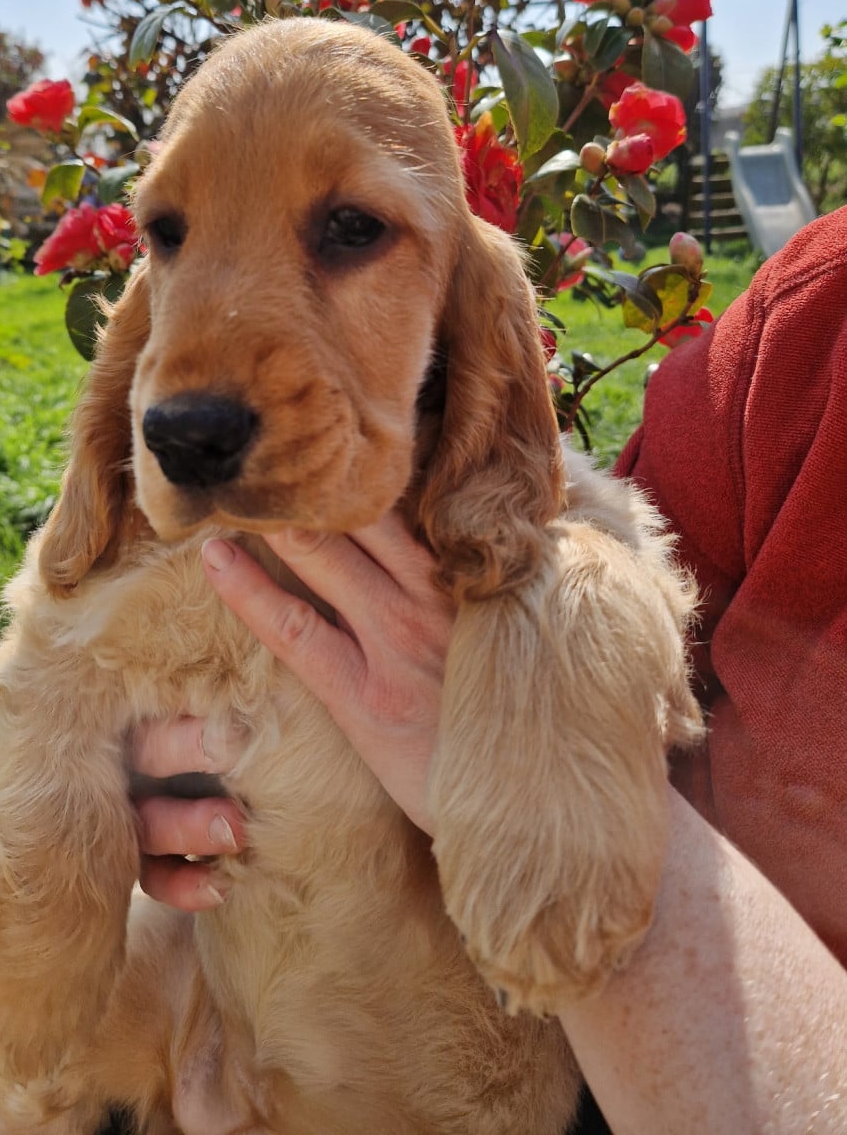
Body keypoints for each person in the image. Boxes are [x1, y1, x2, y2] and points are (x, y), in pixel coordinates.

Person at [130, 209, 847, 1132]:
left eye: (349, 230)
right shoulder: (813, 320)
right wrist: (135, 751)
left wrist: (517, 769)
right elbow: (637, 568)